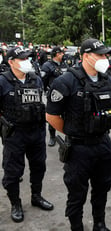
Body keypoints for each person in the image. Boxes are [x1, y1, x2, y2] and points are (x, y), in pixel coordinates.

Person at [46, 38, 111, 230]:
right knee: (77, 193)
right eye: (100, 55)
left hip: (103, 142)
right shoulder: (65, 81)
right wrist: (74, 131)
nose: (105, 58)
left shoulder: (106, 78)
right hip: (79, 147)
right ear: (86, 56)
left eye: (106, 54)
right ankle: (76, 226)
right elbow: (52, 115)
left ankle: (99, 224)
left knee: (102, 188)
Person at [1, 47, 54, 223]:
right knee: (13, 171)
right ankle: (16, 204)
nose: (27, 61)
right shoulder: (3, 81)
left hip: (36, 132)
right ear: (11, 62)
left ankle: (36, 196)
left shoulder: (35, 78)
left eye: (27, 58)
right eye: (22, 59)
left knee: (39, 166)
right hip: (15, 134)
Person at [41, 46, 67, 146]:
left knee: (67, 116)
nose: (63, 55)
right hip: (54, 95)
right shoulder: (47, 65)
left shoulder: (64, 64)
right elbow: (43, 81)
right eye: (61, 53)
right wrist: (45, 91)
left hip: (66, 94)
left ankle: (67, 137)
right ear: (57, 54)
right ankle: (52, 137)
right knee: (53, 115)